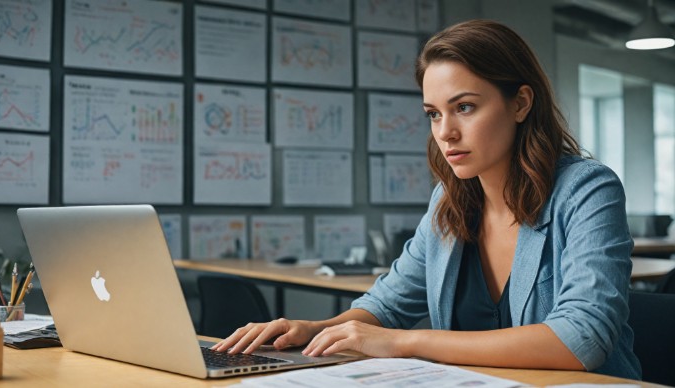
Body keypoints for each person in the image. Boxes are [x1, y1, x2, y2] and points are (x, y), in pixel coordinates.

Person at [211, 19, 641, 380]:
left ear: (521, 103)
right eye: (434, 113)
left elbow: (581, 339)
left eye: (465, 107)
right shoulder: (449, 201)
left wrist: (404, 342)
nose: (445, 132)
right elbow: (386, 306)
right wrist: (312, 329)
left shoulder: (586, 189)